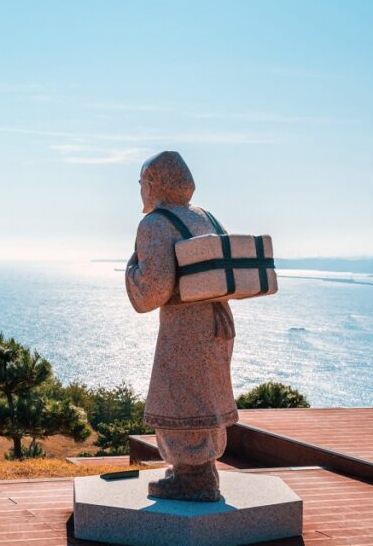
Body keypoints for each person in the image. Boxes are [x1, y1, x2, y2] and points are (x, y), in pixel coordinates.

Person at [125, 151, 237, 502]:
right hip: (219, 321)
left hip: (185, 327)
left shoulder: (156, 224)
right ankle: (199, 468)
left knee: (180, 396)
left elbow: (151, 292)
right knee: (207, 394)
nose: (140, 190)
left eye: (142, 182)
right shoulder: (206, 217)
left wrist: (131, 269)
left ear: (155, 183)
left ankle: (193, 477)